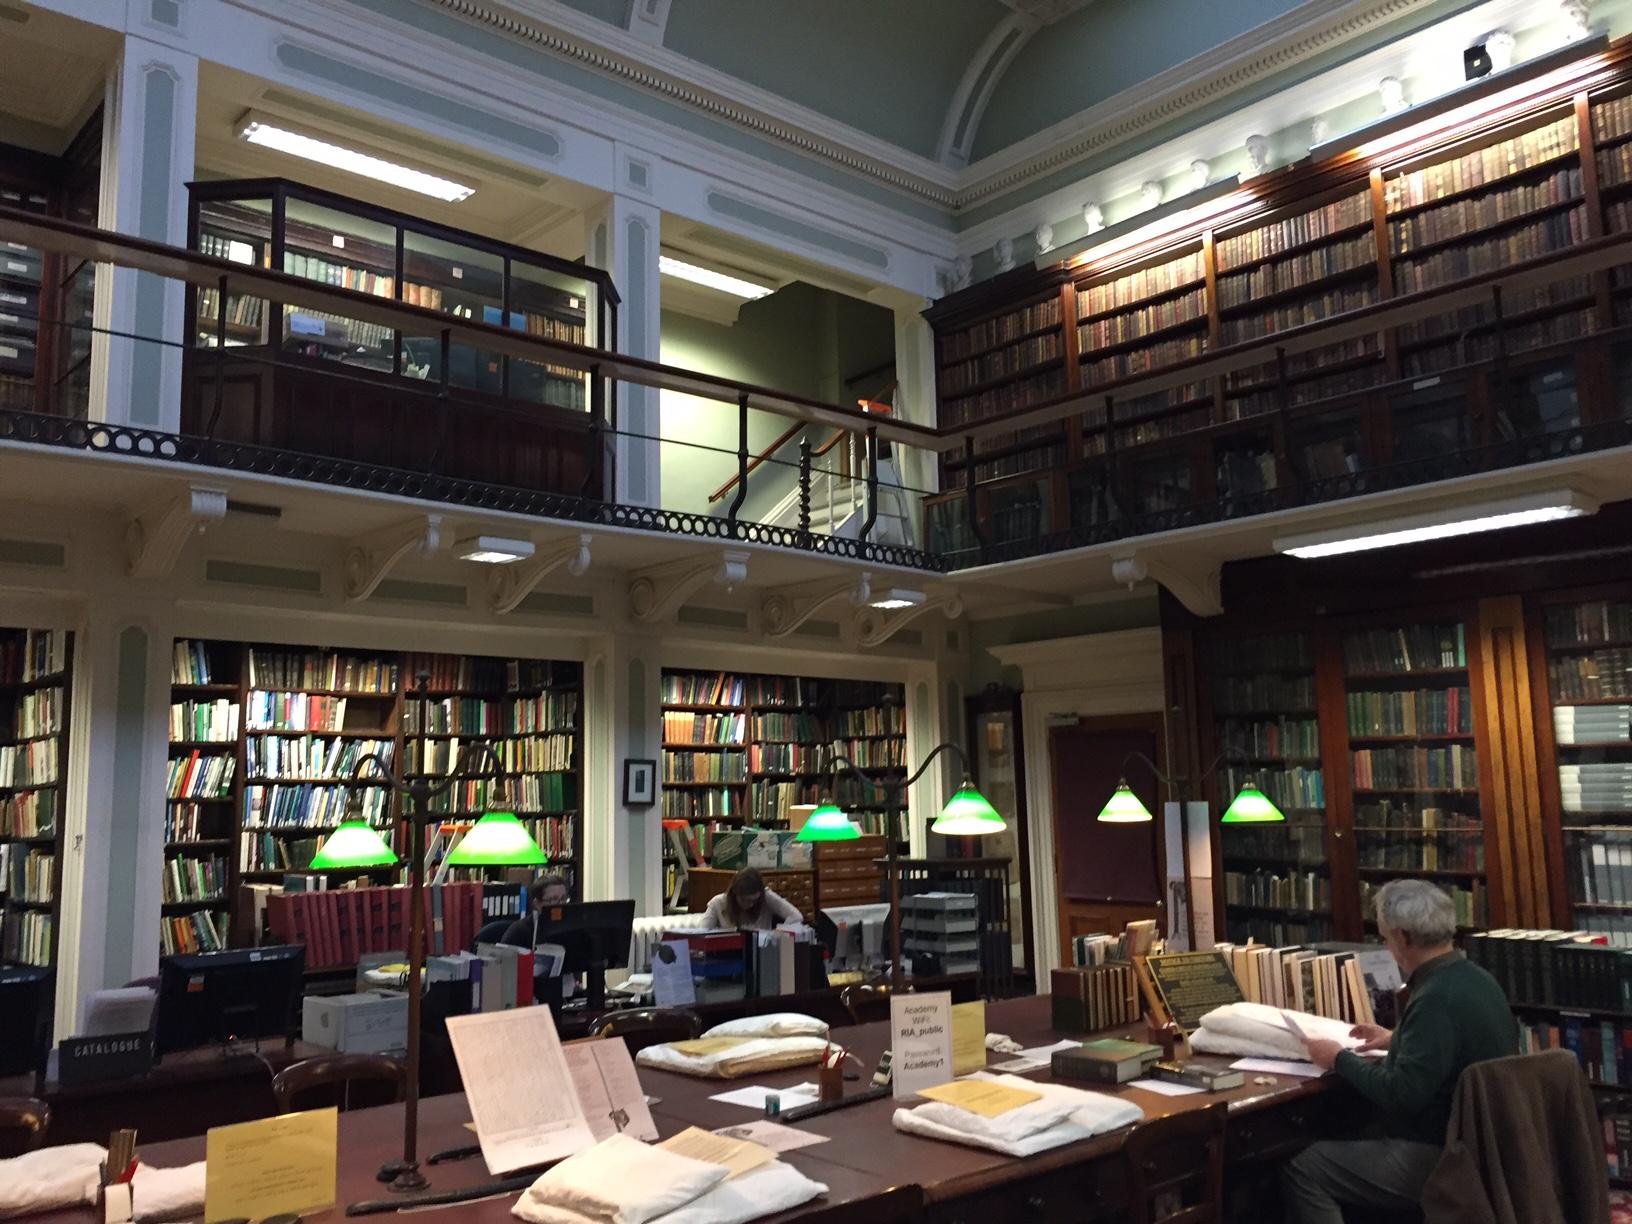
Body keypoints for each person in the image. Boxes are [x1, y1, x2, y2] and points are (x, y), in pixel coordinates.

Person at [1282, 878, 1518, 1224]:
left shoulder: (1434, 997)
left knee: (1303, 1167)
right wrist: (1396, 1037)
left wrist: (1337, 1058)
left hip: (1442, 1156)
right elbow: (1458, 1042)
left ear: (1404, 938)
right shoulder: (1477, 978)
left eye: (1386, 937)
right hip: (1486, 1147)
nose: (1386, 946)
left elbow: (1400, 1094)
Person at [702, 867, 802, 930]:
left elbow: (796, 916)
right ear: (734, 894)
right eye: (745, 900)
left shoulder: (766, 897)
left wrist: (778, 933)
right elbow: (702, 932)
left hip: (761, 954)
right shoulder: (718, 903)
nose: (750, 905)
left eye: (754, 900)